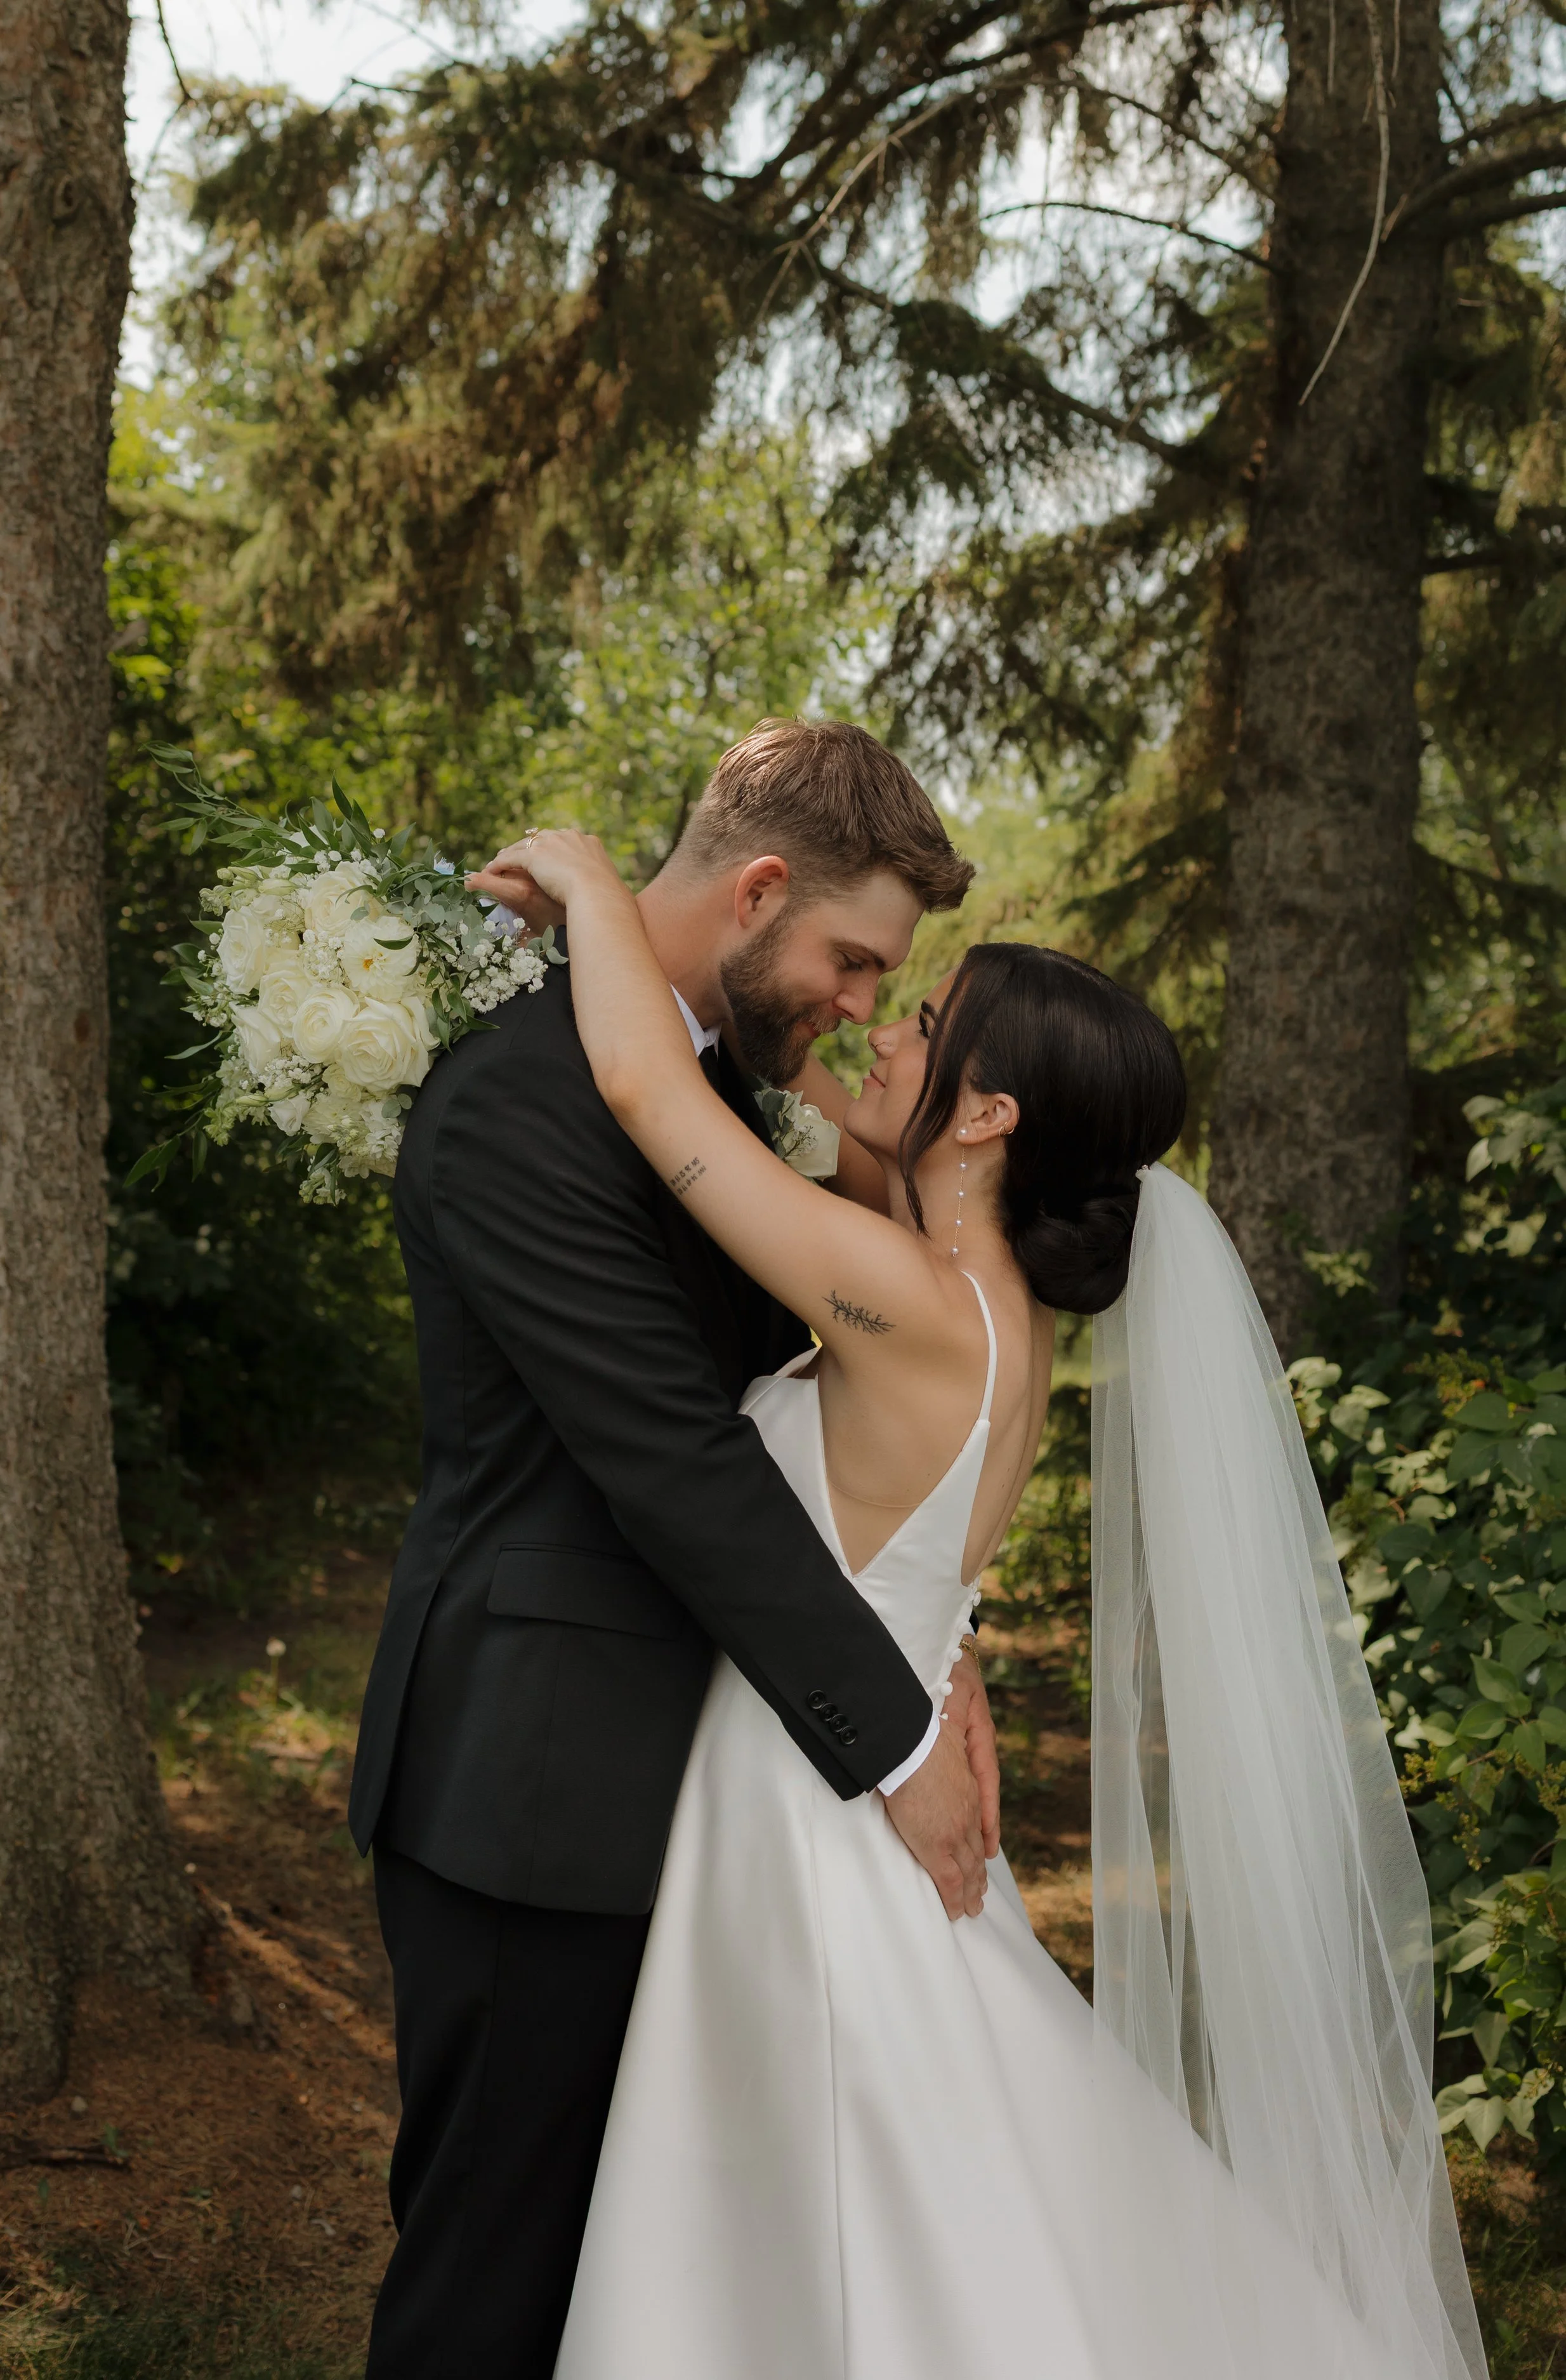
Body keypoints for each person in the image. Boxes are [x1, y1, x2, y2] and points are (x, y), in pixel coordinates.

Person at [470, 821, 1490, 2380]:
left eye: (927, 1027)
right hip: (863, 1759)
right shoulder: (982, 1306)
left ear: (992, 1111)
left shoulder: (903, 1305)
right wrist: (790, 1013)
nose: (885, 1029)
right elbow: (786, 1086)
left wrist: (597, 890)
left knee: (818, 2211)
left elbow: (646, 1094)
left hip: (809, 1819)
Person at [348, 720, 1003, 2380]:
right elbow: (672, 1455)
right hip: (530, 1796)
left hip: (687, 1799)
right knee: (493, 2280)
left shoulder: (696, 1091)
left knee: (631, 2285)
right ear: (760, 887)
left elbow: (804, 1410)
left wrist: (945, 1642)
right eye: (855, 957)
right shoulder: (520, 1101)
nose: (862, 1001)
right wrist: (897, 1736)